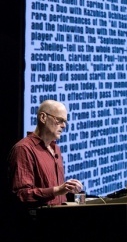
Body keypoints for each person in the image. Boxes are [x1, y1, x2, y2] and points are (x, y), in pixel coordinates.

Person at [6, 100, 83, 241]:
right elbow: (22, 194)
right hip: (37, 230)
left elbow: (57, 192)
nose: (64, 126)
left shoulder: (56, 149)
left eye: (65, 121)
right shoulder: (24, 149)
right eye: (59, 120)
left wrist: (68, 189)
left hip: (59, 227)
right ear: (43, 118)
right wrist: (56, 190)